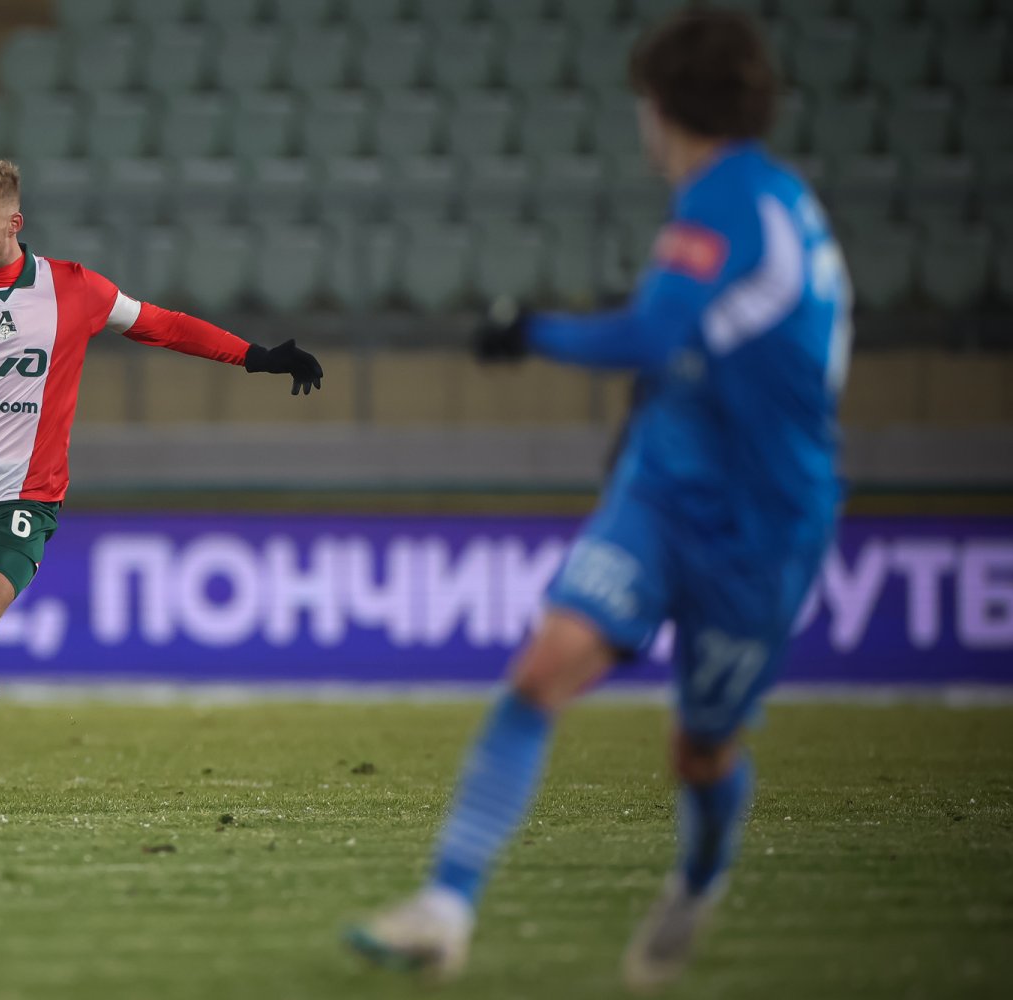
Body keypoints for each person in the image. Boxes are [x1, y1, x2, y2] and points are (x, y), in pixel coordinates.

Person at [346, 8, 850, 990]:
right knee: (543, 669)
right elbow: (711, 348)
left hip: (762, 522)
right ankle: (445, 907)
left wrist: (525, 329)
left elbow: (652, 336)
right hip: (665, 492)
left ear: (662, 107)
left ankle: (697, 883)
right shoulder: (761, 201)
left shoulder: (730, 200)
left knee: (701, 750)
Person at [0, 159, 323, 808]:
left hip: (25, 496)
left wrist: (255, 357)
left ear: (14, 223)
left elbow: (162, 324)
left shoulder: (74, 289)